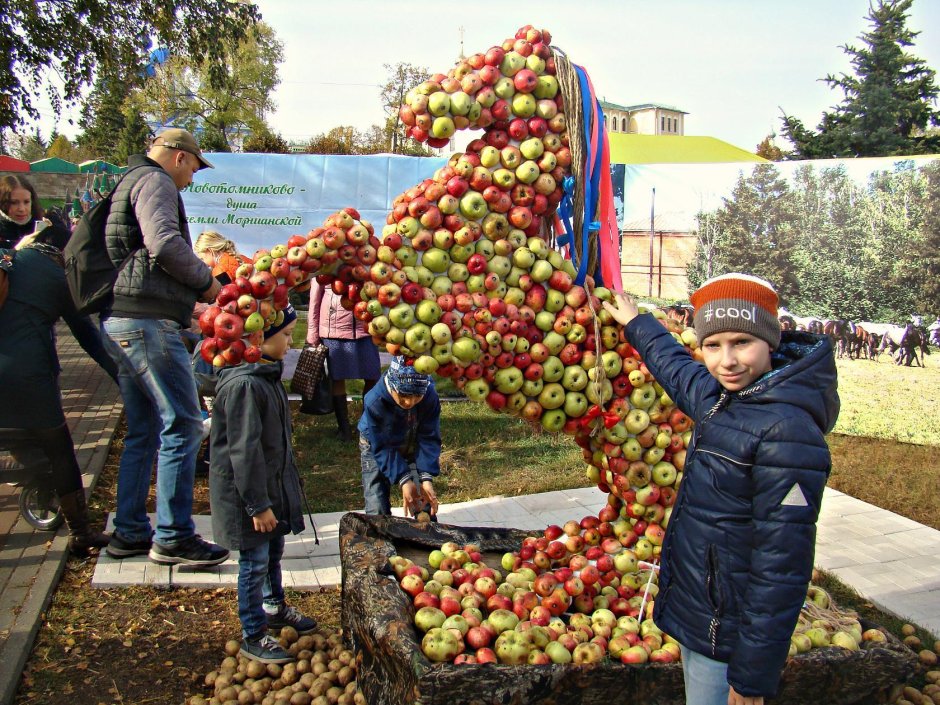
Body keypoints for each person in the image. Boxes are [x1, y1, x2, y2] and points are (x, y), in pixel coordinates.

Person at [602, 273, 839, 705]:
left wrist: (751, 678)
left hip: (730, 633)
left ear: (771, 341)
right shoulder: (724, 399)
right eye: (713, 345)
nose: (726, 361)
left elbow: (781, 568)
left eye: (742, 343)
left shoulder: (788, 433)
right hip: (704, 613)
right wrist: (638, 323)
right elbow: (676, 369)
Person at [99, 127, 229, 567]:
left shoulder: (129, 179)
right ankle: (173, 536)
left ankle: (130, 531)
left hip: (125, 318)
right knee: (185, 422)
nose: (192, 178)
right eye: (194, 167)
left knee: (144, 428)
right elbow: (165, 245)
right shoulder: (155, 181)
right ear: (178, 157)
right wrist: (208, 284)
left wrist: (183, 305)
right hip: (145, 324)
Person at [208, 304, 317, 664]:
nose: (290, 343)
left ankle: (274, 607)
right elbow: (244, 452)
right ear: (257, 337)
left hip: (267, 490)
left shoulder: (265, 376)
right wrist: (258, 505)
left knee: (272, 552)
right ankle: (252, 633)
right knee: (253, 562)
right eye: (285, 336)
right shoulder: (244, 385)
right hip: (248, 499)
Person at [0, 232, 119, 555]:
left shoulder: (9, 261)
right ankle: (80, 533)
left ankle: (32, 479)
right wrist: (125, 380)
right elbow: (89, 339)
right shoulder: (57, 275)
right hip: (30, 375)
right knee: (59, 450)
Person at [357, 357, 441, 518]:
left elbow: (429, 437)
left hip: (412, 439)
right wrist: (403, 479)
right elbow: (382, 446)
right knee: (377, 504)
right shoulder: (375, 401)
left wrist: (426, 477)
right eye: (403, 395)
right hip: (376, 445)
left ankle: (424, 539)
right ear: (393, 386)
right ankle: (380, 538)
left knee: (422, 502)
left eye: (417, 396)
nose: (409, 402)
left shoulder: (429, 396)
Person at [306, 278, 380, 440]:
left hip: (365, 327)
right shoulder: (326, 259)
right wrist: (312, 332)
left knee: (372, 376)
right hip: (334, 330)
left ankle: (365, 425)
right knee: (337, 378)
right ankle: (344, 428)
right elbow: (315, 297)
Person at [0, 175, 70, 251]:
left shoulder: (49, 221)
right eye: (14, 202)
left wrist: (52, 232)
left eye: (26, 202)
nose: (22, 209)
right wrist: (17, 249)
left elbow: (71, 250)